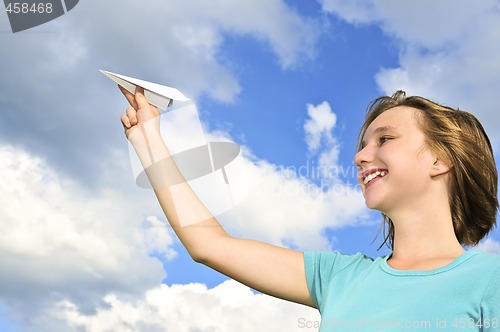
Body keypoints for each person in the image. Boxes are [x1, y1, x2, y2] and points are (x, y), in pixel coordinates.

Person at [119, 86, 500, 331]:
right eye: (363, 144)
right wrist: (148, 138)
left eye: (385, 139)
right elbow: (209, 245)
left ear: (440, 160)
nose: (360, 156)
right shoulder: (338, 277)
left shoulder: (490, 280)